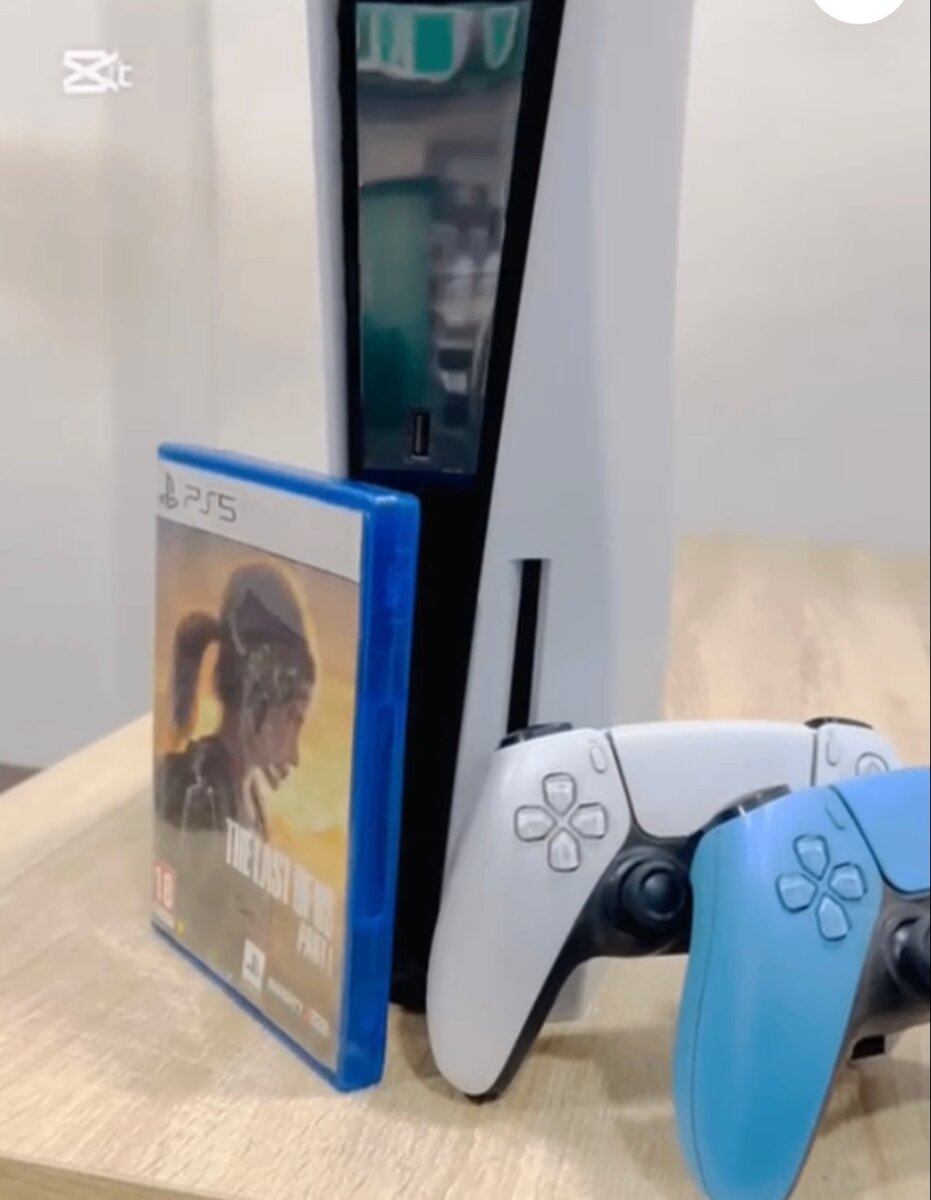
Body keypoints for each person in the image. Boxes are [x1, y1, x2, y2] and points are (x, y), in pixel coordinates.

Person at [154, 563, 316, 976]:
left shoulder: (248, 797)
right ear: (263, 695)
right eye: (294, 716)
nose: (295, 753)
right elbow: (199, 927)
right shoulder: (198, 787)